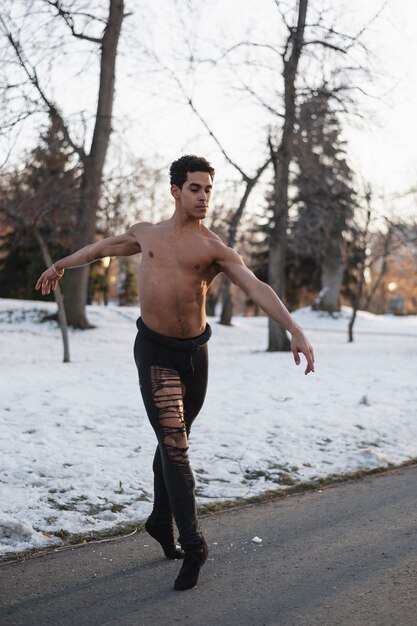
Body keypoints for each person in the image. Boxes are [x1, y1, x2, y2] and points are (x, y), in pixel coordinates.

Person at [36, 154, 315, 591]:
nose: (204, 196)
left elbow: (257, 287)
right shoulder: (146, 235)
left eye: (208, 189)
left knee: (173, 442)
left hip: (195, 356)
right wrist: (59, 265)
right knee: (175, 443)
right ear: (175, 191)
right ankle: (194, 541)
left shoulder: (215, 249)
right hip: (154, 350)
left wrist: (294, 328)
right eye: (195, 188)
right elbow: (100, 249)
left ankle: (159, 518)